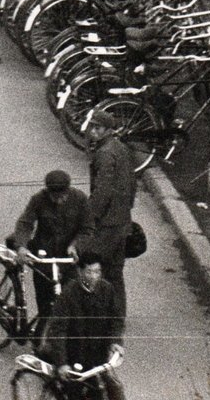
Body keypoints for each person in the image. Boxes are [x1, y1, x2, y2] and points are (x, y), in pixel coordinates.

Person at [42, 250, 126, 400]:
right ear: (80, 272)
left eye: (97, 271)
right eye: (89, 272)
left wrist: (115, 341)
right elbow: (58, 329)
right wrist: (62, 363)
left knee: (115, 392)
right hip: (73, 356)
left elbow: (116, 319)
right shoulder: (68, 294)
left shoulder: (107, 289)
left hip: (97, 356)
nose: (94, 276)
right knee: (75, 393)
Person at [11, 169, 93, 321]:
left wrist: (76, 245)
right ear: (48, 191)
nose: (58, 201)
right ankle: (42, 337)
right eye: (54, 197)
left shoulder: (80, 199)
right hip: (44, 258)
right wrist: (22, 246)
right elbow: (25, 223)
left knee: (72, 300)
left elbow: (87, 229)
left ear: (68, 190)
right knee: (45, 304)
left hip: (67, 259)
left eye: (63, 197)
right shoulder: (38, 199)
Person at [86, 110, 136, 315]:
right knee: (115, 272)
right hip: (122, 219)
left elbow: (102, 190)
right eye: (92, 127)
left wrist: (89, 217)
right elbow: (132, 183)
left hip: (107, 224)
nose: (92, 132)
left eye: (97, 128)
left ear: (108, 130)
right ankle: (117, 316)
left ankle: (96, 315)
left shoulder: (105, 153)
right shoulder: (121, 148)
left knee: (92, 266)